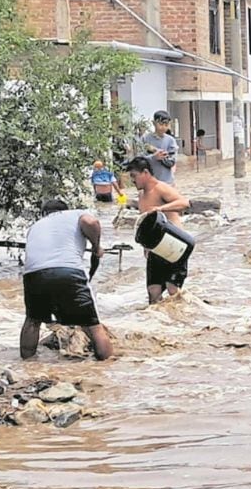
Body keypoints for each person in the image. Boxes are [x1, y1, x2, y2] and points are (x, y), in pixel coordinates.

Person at [19, 199, 114, 361]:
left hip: (33, 275)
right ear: (65, 209)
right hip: (68, 271)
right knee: (92, 325)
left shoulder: (35, 226)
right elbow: (91, 221)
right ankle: (107, 365)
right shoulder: (75, 214)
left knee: (33, 320)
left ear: (44, 213)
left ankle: (27, 364)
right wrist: (96, 246)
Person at [129, 157, 193, 303]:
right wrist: (145, 247)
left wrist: (160, 208)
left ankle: (182, 321)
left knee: (173, 291)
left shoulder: (161, 188)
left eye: (134, 176)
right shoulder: (141, 195)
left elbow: (185, 203)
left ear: (145, 172)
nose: (132, 181)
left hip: (174, 246)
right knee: (153, 292)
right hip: (155, 249)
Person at [142, 111, 179, 184]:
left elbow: (172, 161)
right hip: (149, 181)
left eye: (166, 124)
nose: (163, 127)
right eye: (161, 124)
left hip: (166, 181)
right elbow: (140, 160)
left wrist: (156, 151)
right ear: (154, 123)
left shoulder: (170, 141)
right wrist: (154, 157)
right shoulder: (145, 139)